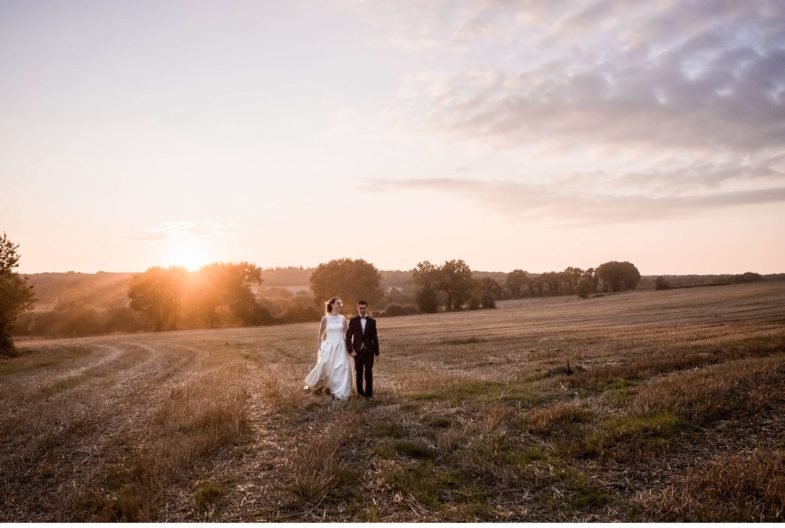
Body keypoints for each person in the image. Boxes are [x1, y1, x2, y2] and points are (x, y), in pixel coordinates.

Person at [303, 297, 352, 400]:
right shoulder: (325, 318)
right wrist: (320, 347)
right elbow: (320, 335)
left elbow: (347, 335)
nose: (339, 305)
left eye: (340, 304)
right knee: (326, 366)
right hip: (329, 346)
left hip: (341, 346)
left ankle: (340, 390)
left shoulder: (343, 318)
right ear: (332, 305)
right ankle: (319, 386)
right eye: (337, 303)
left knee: (341, 368)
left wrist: (349, 347)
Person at [345, 300, 379, 399]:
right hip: (357, 352)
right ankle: (360, 393)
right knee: (358, 373)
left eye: (364, 308)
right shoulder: (353, 321)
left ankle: (369, 395)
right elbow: (348, 337)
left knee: (368, 373)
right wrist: (350, 350)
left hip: (369, 351)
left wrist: (377, 353)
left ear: (367, 308)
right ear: (357, 308)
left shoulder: (372, 321)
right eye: (360, 308)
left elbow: (375, 337)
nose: (362, 310)